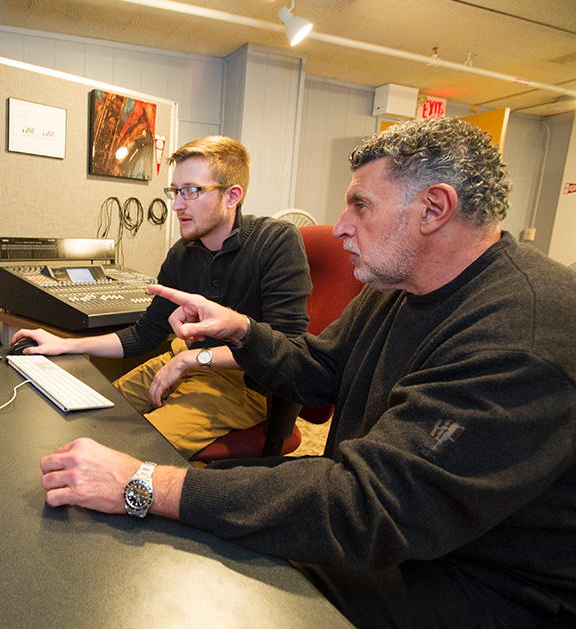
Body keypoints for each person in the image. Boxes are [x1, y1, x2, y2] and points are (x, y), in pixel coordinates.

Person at [39, 117, 576, 627]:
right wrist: (241, 332)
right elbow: (320, 369)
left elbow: (370, 505)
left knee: (237, 587)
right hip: (401, 528)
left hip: (486, 584)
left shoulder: (523, 332)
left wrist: (141, 484)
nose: (339, 228)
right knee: (212, 510)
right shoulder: (401, 290)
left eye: (359, 206)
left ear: (433, 208)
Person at [11, 136, 312, 459]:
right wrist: (65, 344)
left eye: (192, 191)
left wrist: (195, 358)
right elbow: (144, 334)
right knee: (90, 421)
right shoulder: (182, 253)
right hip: (181, 361)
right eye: (175, 192)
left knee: (125, 455)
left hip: (242, 382)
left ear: (232, 195)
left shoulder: (276, 241)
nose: (178, 205)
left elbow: (287, 345)